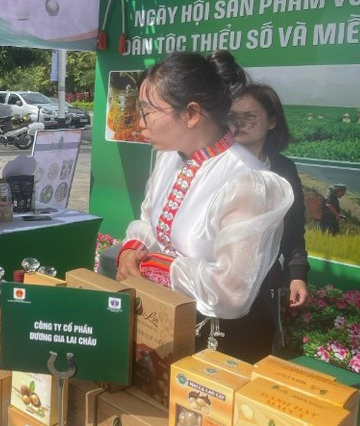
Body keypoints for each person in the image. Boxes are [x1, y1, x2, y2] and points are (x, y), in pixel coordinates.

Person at [116, 51, 293, 363]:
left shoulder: (246, 180)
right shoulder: (170, 158)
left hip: (222, 341)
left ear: (191, 114)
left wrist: (153, 266)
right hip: (167, 321)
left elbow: (231, 291)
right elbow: (149, 220)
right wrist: (133, 249)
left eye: (147, 111)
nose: (140, 123)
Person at [230, 84, 310, 352]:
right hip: (218, 283)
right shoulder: (216, 167)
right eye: (233, 117)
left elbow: (294, 225)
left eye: (249, 117)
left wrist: (297, 274)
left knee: (257, 351)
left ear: (272, 121)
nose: (239, 124)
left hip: (265, 284)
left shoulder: (283, 169)